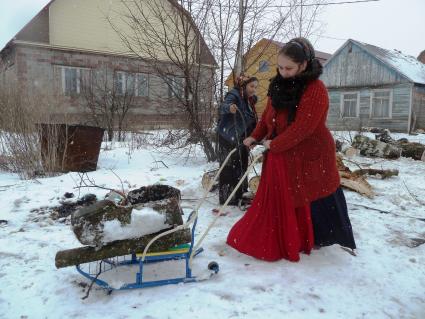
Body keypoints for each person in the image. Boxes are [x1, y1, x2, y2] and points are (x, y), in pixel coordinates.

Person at [226, 38, 356, 262]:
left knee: (312, 195)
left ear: (303, 65)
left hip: (311, 153)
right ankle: (292, 234)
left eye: (289, 68)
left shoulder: (316, 90)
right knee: (289, 195)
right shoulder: (278, 85)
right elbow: (268, 117)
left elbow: (302, 128)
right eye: (280, 67)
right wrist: (255, 136)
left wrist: (273, 144)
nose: (283, 72)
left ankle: (317, 236)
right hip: (285, 152)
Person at [217, 74, 259, 206]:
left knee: (242, 165)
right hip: (227, 137)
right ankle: (227, 197)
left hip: (241, 137)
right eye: (251, 86)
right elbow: (223, 106)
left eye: (255, 87)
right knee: (229, 167)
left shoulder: (250, 101)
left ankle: (240, 193)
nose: (253, 89)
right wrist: (229, 108)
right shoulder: (234, 94)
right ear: (243, 85)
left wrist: (252, 138)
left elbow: (252, 121)